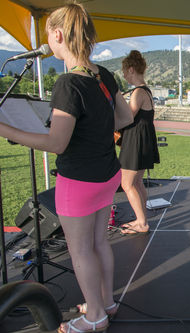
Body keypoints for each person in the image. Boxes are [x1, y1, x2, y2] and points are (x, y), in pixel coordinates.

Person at [0, 4, 133, 333]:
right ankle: (106, 302)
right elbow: (125, 119)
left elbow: (56, 143)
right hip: (107, 174)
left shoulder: (67, 83)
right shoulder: (103, 74)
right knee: (100, 243)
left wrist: (6, 130)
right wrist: (95, 129)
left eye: (49, 35)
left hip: (81, 180)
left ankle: (95, 318)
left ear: (57, 35)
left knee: (81, 251)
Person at [119, 50, 160, 235]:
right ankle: (141, 217)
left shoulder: (137, 92)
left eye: (124, 72)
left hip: (135, 141)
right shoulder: (147, 91)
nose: (124, 75)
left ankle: (141, 223)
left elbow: (126, 117)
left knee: (127, 184)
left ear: (131, 69)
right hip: (143, 141)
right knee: (137, 182)